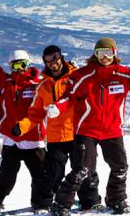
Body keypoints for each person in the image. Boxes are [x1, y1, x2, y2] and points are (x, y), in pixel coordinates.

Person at [47, 39, 130, 216]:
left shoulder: (122, 74)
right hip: (86, 130)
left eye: (108, 53)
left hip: (112, 130)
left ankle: (116, 200)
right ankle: (61, 204)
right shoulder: (83, 75)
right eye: (100, 53)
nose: (104, 57)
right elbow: (70, 97)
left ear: (115, 54)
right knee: (83, 169)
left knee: (120, 167)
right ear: (94, 54)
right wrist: (57, 107)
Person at [0, 29, 47, 215]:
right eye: (15, 65)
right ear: (10, 67)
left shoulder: (37, 83)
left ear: (28, 64)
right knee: (7, 177)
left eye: (22, 64)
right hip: (11, 140)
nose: (19, 68)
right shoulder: (4, 82)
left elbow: (56, 85)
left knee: (41, 175)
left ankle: (41, 203)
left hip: (33, 138)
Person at [23, 45, 102, 213]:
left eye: (56, 57)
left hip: (78, 132)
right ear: (45, 62)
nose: (53, 62)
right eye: (49, 60)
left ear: (61, 57)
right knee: (51, 173)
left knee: (85, 170)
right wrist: (21, 126)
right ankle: (43, 205)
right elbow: (35, 112)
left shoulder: (76, 76)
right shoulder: (43, 85)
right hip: (56, 137)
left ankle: (90, 202)